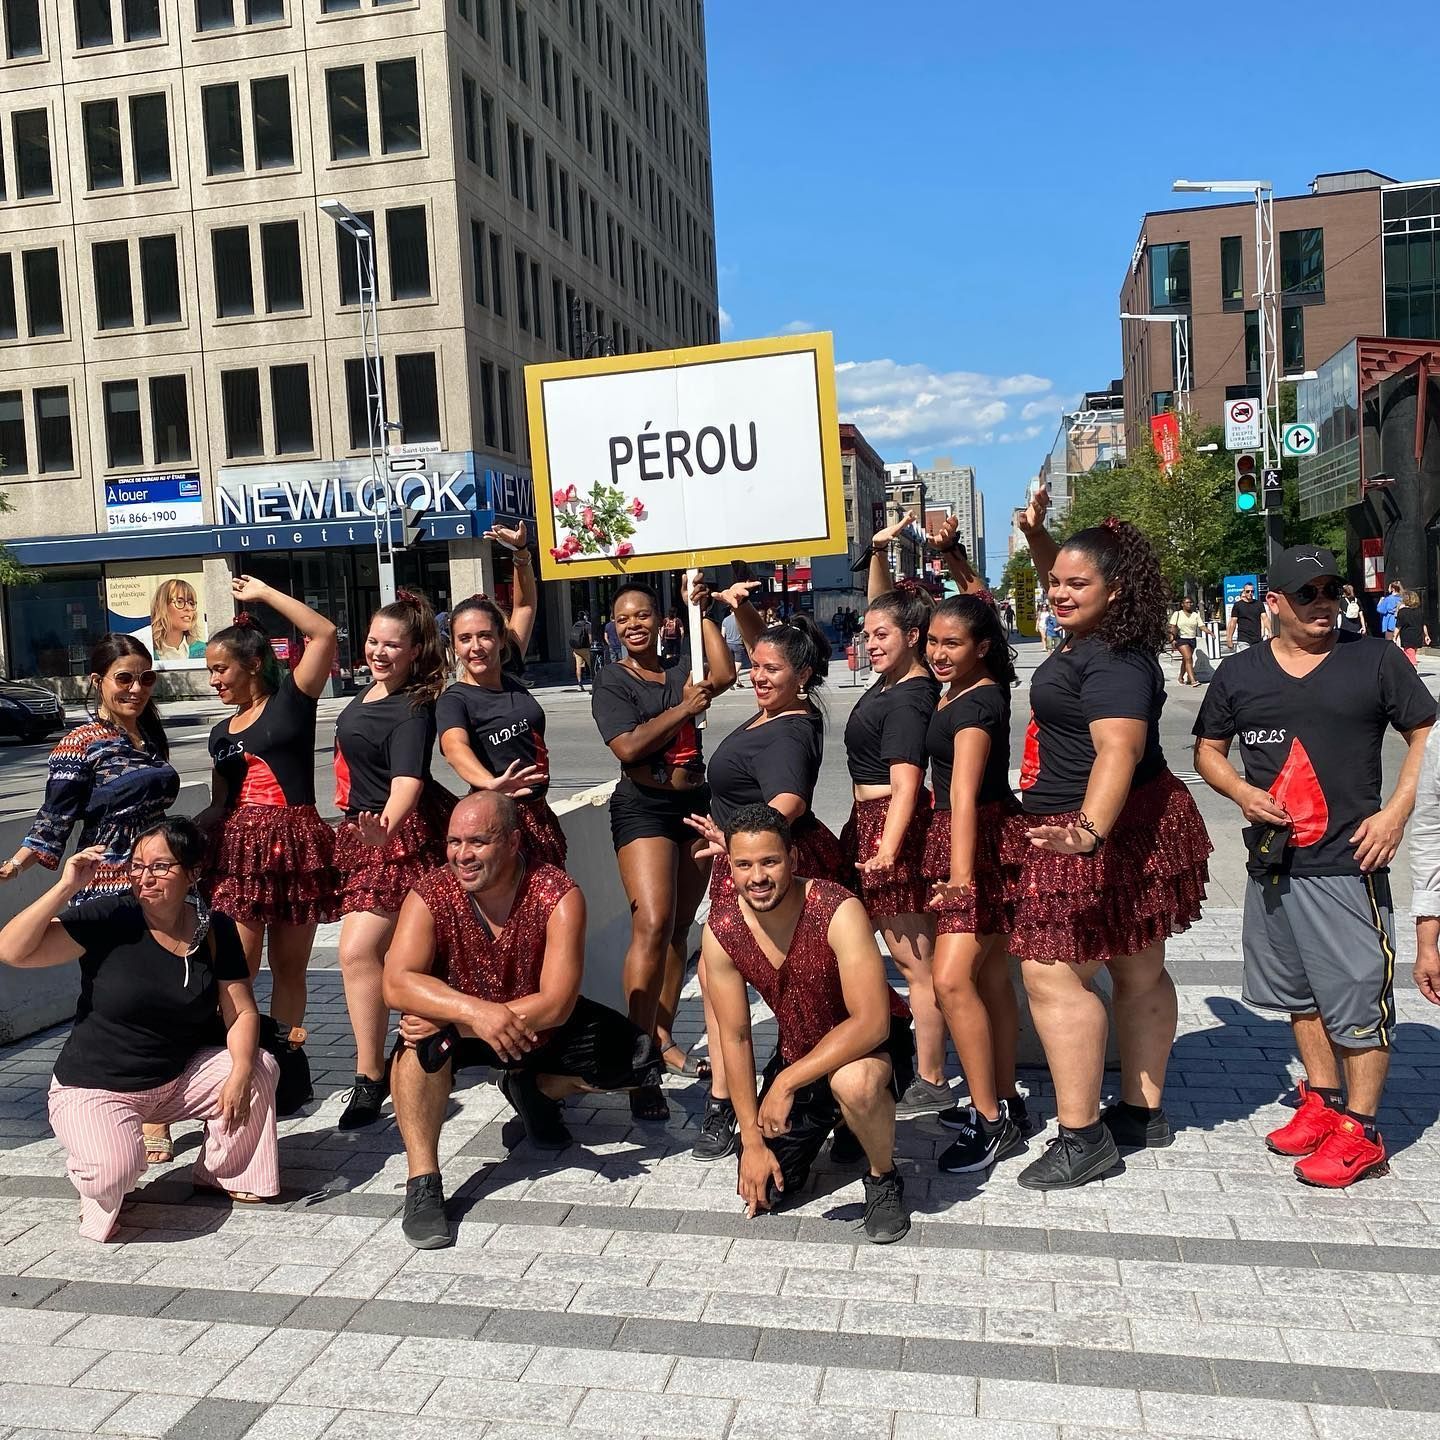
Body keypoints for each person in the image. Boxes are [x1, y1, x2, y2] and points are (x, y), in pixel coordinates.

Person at [1195, 546, 1435, 1187]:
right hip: (1273, 866)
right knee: (1301, 996)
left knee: (1356, 996)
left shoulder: (1374, 658)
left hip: (1347, 865)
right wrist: (1242, 793)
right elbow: (1208, 750)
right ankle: (1324, 1102)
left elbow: (1426, 732)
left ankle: (1363, 1130)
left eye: (1332, 590)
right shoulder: (1240, 674)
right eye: (1308, 593)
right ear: (1274, 603)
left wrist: (1395, 813)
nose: (1325, 602)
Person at [1007, 488, 1212, 1190]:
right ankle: (1141, 1113)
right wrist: (1042, 537)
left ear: (1114, 590)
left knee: (1052, 972)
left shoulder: (1116, 662)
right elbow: (1065, 576)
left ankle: (1083, 1136)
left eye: (1074, 584)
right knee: (1136, 967)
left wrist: (1087, 832)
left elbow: (1117, 751)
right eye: (1054, 581)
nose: (1057, 593)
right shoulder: (1098, 634)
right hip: (1130, 822)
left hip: (1094, 829)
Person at [383, 792, 662, 1248]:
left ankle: (533, 1089)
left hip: (534, 1022)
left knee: (637, 1060)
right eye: (453, 841)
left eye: (477, 841)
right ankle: (424, 1182)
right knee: (416, 1045)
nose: (461, 855)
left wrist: (464, 1020)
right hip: (462, 1022)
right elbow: (395, 983)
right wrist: (471, 1013)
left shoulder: (557, 893)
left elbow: (556, 1003)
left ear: (513, 841)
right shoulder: (431, 890)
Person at [0, 819, 280, 1241]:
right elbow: (12, 951)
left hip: (174, 1078)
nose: (145, 877)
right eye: (137, 865)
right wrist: (65, 887)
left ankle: (225, 1172)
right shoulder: (112, 915)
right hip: (96, 1085)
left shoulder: (214, 928)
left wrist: (240, 1073)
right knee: (115, 1171)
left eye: (161, 867)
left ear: (193, 873)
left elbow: (241, 1011)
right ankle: (99, 1164)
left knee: (257, 1065)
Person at [1, 633, 181, 1166]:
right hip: (108, 885)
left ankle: (156, 1109)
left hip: (162, 882)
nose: (136, 689)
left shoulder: (150, 736)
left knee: (164, 993)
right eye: (124, 678)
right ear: (97, 682)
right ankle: (106, 1105)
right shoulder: (79, 744)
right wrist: (13, 866)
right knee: (116, 999)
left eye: (146, 678)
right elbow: (52, 820)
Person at [701, 804, 912, 1244]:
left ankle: (883, 1177)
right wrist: (752, 1143)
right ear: (729, 868)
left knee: (854, 1084)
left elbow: (871, 1023)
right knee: (773, 1189)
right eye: (743, 864)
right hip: (799, 1052)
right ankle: (844, 1122)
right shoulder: (721, 929)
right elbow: (736, 1037)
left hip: (871, 1047)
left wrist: (784, 1085)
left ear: (793, 860)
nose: (757, 877)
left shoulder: (838, 908)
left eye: (769, 862)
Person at [684, 604, 845, 1162]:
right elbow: (772, 647)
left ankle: (743, 1101)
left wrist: (739, 844)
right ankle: (730, 1097)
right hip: (753, 866)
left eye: (772, 669)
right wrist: (730, 611)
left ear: (802, 675)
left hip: (764, 872)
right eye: (755, 666)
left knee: (785, 987)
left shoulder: (790, 728)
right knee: (718, 978)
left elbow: (791, 800)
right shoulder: (786, 709)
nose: (758, 676)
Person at [591, 577, 737, 1121]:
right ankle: (637, 1060)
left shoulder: (681, 668)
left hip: (694, 806)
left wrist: (699, 609)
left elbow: (722, 675)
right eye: (624, 618)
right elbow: (627, 745)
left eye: (645, 616)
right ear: (614, 627)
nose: (634, 625)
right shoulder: (610, 680)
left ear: (660, 621)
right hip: (643, 809)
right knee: (651, 923)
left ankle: (663, 1036)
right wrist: (684, 709)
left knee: (679, 926)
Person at [200, 575, 340, 1051]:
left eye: (221, 669)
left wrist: (265, 595)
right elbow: (220, 805)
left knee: (289, 968)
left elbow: (324, 634)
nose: (215, 680)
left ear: (254, 664)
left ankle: (283, 1063)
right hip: (238, 857)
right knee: (236, 967)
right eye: (210, 671)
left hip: (295, 851)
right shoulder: (219, 732)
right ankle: (237, 1059)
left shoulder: (292, 704)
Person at [332, 590, 455, 1130]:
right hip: (364, 834)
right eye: (374, 641)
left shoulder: (413, 707)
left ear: (413, 651)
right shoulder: (362, 697)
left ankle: (413, 1054)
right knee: (365, 953)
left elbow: (408, 781)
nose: (379, 652)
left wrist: (388, 828)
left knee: (375, 948)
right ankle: (370, 1072)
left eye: (392, 645)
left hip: (402, 836)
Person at [924, 594, 1028, 1172]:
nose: (938, 653)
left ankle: (990, 1123)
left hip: (978, 845)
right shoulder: (967, 687)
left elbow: (962, 794)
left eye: (952, 644)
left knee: (951, 979)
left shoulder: (976, 704)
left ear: (981, 647)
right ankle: (1005, 1103)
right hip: (975, 839)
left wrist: (962, 878)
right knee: (988, 977)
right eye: (933, 641)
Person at [839, 582, 947, 1116]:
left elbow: (907, 782)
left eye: (882, 635)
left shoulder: (909, 696)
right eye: (867, 634)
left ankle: (930, 1077)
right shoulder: (892, 681)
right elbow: (888, 600)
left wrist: (887, 849)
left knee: (916, 967)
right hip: (871, 821)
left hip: (889, 825)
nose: (872, 643)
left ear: (913, 636)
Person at [438, 526, 568, 870]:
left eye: (484, 636)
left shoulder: (510, 674)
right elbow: (454, 748)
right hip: (494, 822)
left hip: (538, 818)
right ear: (454, 645)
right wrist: (489, 782)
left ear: (499, 639)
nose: (475, 647)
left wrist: (521, 553)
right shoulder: (455, 699)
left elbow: (524, 605)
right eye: (465, 638)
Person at [141, 578, 206, 664]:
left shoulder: (203, 650)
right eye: (179, 601)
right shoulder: (144, 650)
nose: (189, 608)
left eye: (191, 603)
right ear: (162, 606)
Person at [1168, 596, 1204, 686]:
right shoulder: (1177, 614)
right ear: (1182, 604)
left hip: (1192, 639)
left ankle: (1181, 676)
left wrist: (1210, 632)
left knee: (1185, 659)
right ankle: (1192, 680)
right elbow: (1172, 626)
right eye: (1187, 603)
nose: (1189, 604)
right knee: (1188, 658)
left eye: (1191, 602)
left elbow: (1201, 626)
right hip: (1181, 639)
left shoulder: (1195, 614)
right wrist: (1172, 639)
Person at [1225, 583, 1269, 651]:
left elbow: (1265, 618)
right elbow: (1233, 622)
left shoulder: (1259, 604)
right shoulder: (1237, 605)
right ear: (1244, 592)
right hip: (1243, 639)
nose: (1250, 593)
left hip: (1257, 638)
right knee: (1247, 659)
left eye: (1252, 591)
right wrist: (1229, 638)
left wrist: (1270, 632)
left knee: (1256, 660)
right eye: (1247, 591)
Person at [1397, 590, 1429, 666]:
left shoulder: (1403, 611)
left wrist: (1395, 636)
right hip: (1417, 635)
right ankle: (1409, 669)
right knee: (1411, 653)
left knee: (1410, 655)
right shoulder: (1419, 611)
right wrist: (1426, 635)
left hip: (1407, 636)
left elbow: (1399, 625)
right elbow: (1423, 624)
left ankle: (1412, 670)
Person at [722, 607, 749, 686]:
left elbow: (723, 634)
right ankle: (734, 677)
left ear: (730, 611)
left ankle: (737, 680)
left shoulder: (725, 620)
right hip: (738, 644)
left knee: (732, 662)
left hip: (728, 644)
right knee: (738, 662)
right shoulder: (740, 619)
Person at [569, 611, 593, 691]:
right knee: (591, 665)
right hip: (585, 648)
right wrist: (591, 645)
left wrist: (573, 649)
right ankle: (593, 680)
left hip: (577, 649)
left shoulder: (575, 625)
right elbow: (590, 637)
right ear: (585, 617)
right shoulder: (587, 625)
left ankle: (580, 684)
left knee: (578, 666)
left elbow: (573, 637)